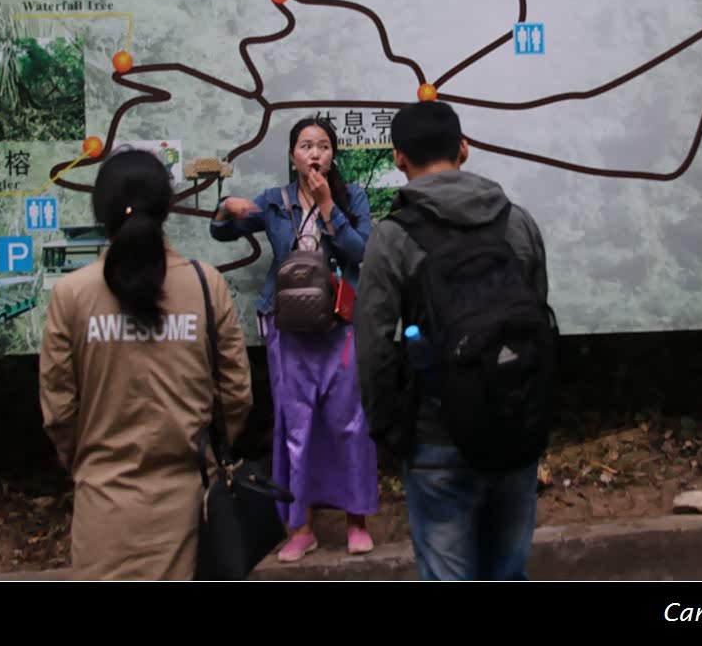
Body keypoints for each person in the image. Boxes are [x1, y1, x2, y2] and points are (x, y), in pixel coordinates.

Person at [355, 100, 553, 580]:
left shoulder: (392, 236)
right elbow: (538, 316)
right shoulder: (517, 222)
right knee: (507, 572)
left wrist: (390, 430)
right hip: (516, 425)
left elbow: (373, 345)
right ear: (463, 149)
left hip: (435, 435)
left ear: (399, 158)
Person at [39, 148, 251, 580]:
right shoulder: (204, 285)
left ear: (101, 212)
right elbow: (236, 394)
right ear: (167, 208)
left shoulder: (71, 294)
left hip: (102, 513)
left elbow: (59, 409)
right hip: (193, 510)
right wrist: (212, 454)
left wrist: (85, 462)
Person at [211, 116, 378, 561]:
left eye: (323, 145)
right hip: (288, 324)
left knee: (348, 421)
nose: (314, 153)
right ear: (292, 155)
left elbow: (362, 251)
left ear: (333, 154)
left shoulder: (352, 197)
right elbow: (222, 231)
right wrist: (227, 207)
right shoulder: (276, 200)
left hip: (340, 324)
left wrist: (328, 207)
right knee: (295, 423)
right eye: (306, 145)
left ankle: (356, 520)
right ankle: (300, 527)